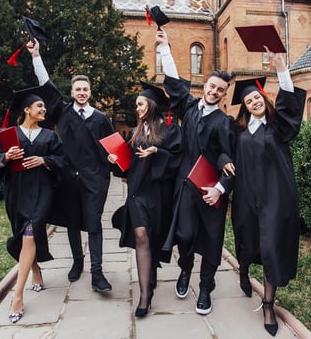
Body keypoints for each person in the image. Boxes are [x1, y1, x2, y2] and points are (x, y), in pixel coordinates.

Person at [156, 29, 236, 315]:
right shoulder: (189, 108)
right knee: (186, 236)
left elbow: (230, 161)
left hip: (212, 191)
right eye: (212, 86)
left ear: (224, 94)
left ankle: (205, 288)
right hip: (186, 187)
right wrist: (165, 48)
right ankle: (185, 270)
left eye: (220, 90)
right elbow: (176, 85)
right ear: (206, 85)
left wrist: (221, 188)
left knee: (212, 243)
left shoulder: (224, 122)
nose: (214, 91)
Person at [229, 47, 306, 336]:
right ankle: (245, 272)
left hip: (275, 198)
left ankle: (268, 304)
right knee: (247, 241)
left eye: (257, 97)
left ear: (264, 99)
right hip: (246, 198)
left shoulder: (278, 127)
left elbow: (290, 105)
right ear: (245, 106)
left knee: (272, 248)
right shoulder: (237, 131)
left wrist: (281, 69)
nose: (253, 102)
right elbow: (222, 153)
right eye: (249, 100)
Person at [26, 40, 115, 292]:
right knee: (73, 223)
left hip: (95, 180)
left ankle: (97, 272)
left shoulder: (101, 118)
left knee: (94, 224)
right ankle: (78, 262)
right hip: (68, 178)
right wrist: (36, 56)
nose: (81, 92)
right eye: (77, 89)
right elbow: (46, 87)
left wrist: (116, 163)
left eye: (85, 89)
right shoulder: (62, 112)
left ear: (90, 92)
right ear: (73, 92)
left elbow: (114, 147)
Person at [0, 88, 65, 323]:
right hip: (16, 192)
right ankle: (35, 269)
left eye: (44, 106)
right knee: (22, 236)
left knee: (30, 235)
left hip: (41, 190)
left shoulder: (50, 136)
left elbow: (62, 162)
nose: (44, 109)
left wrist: (44, 160)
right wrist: (6, 158)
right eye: (39, 106)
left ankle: (17, 297)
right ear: (27, 110)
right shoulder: (7, 135)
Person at [108, 82, 182, 318]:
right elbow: (130, 163)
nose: (137, 108)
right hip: (138, 192)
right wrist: (116, 161)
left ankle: (151, 275)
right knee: (140, 235)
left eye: (140, 104)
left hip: (159, 194)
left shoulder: (170, 129)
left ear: (150, 105)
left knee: (152, 237)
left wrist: (158, 152)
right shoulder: (137, 131)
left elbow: (179, 159)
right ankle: (144, 296)